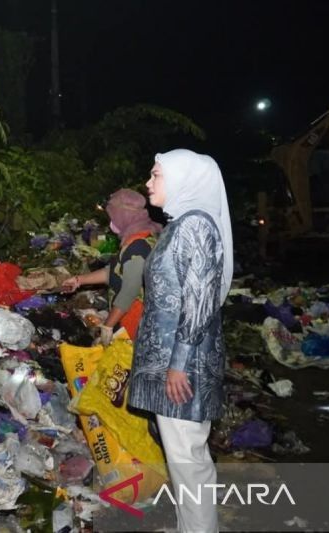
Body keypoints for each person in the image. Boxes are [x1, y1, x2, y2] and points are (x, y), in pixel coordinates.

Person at [127, 149, 232, 532]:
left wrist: (178, 364)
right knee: (183, 459)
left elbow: (200, 302)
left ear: (185, 180)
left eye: (156, 175)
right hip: (174, 360)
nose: (148, 182)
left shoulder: (196, 226)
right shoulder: (179, 224)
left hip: (182, 366)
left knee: (189, 462)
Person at [61, 188, 161, 345]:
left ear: (124, 216)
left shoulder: (138, 246)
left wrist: (108, 325)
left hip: (135, 323)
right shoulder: (141, 236)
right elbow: (114, 272)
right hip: (131, 317)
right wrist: (79, 280)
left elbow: (129, 291)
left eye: (113, 217)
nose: (111, 222)